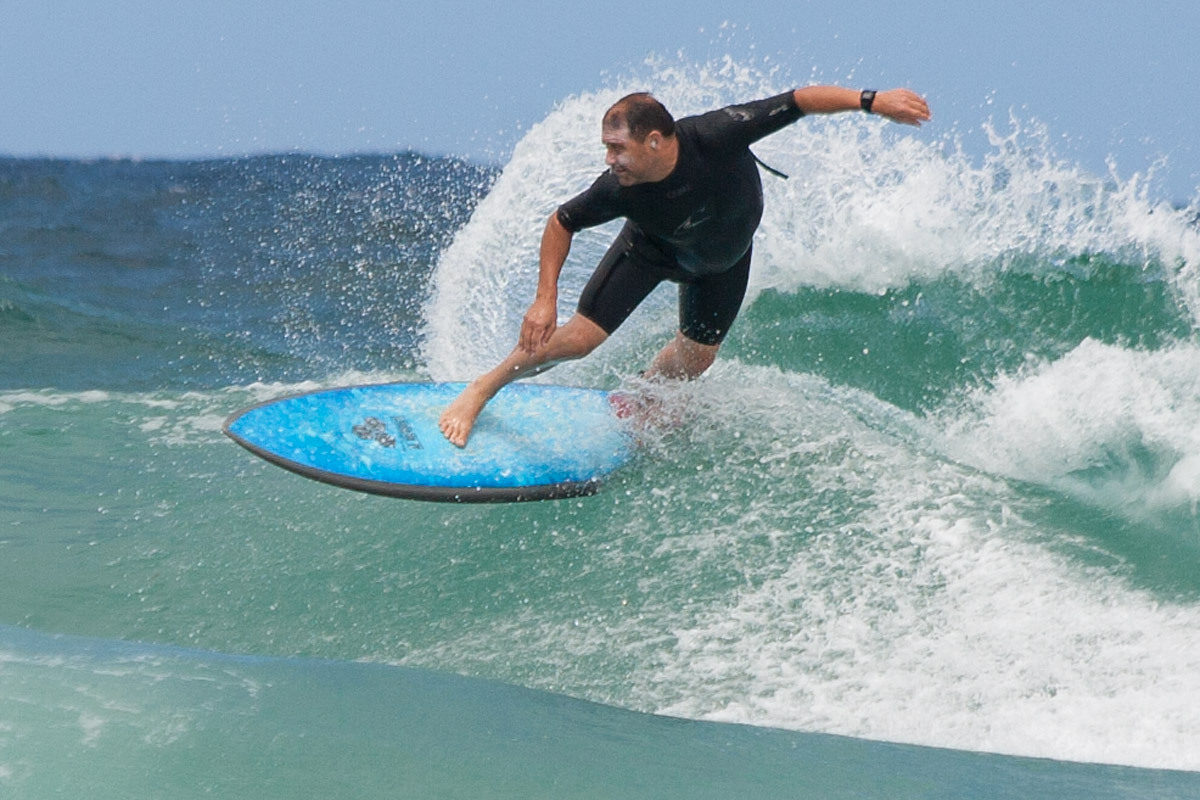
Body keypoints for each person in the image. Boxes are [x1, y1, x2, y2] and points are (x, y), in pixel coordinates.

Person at [439, 85, 931, 447]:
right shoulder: (617, 189)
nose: (610, 160)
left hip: (722, 264)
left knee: (696, 359)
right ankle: (482, 389)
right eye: (606, 149)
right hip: (649, 255)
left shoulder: (717, 135)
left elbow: (798, 100)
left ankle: (644, 398)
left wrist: (871, 102)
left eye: (618, 148)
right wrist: (545, 298)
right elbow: (561, 221)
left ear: (654, 141)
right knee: (581, 340)